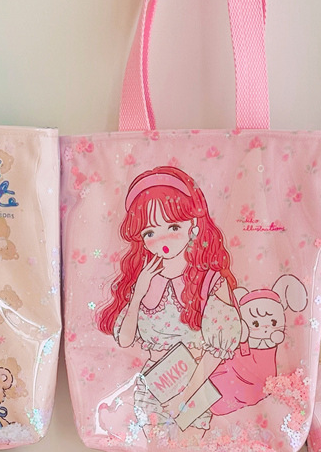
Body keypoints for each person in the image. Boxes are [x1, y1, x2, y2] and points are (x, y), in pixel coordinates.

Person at [96, 166, 244, 437]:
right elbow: (126, 340)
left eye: (173, 227)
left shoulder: (210, 281)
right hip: (150, 389)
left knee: (191, 449)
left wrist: (184, 400)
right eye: (150, 232)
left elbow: (216, 349)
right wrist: (138, 292)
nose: (162, 239)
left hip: (193, 387)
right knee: (152, 447)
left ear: (193, 226)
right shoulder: (143, 280)